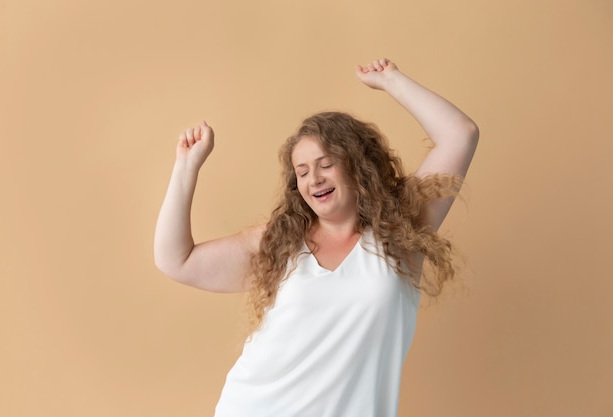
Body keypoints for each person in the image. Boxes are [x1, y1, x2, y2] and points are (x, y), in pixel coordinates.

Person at [154, 57, 479, 417]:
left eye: (326, 164)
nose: (315, 180)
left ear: (359, 166)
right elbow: (176, 260)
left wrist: (391, 80)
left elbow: (460, 134)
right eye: (303, 172)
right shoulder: (281, 242)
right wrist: (187, 166)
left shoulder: (402, 233)